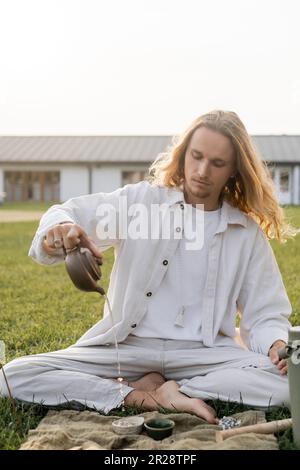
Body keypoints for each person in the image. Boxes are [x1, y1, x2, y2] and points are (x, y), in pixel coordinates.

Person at [1, 110, 298, 424]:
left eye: (217, 163)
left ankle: (172, 389)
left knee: (289, 384)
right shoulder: (140, 202)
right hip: (127, 348)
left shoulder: (245, 231)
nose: (202, 170)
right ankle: (138, 395)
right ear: (183, 154)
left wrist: (276, 343)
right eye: (196, 156)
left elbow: (264, 314)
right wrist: (60, 230)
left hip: (202, 355)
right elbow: (68, 212)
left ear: (235, 170)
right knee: (12, 377)